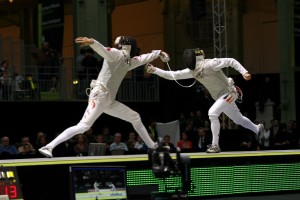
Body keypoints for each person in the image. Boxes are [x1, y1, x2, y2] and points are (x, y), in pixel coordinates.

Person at [38, 36, 170, 157]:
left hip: (109, 101)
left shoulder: (129, 61)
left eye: (117, 42)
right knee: (83, 126)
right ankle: (48, 146)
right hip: (99, 95)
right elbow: (103, 50)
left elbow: (144, 58)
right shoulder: (116, 54)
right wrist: (93, 42)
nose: (115, 43)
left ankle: (152, 146)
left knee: (135, 117)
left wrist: (159, 53)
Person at [146, 48, 265, 153]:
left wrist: (244, 72)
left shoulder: (211, 64)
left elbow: (231, 61)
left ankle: (215, 145)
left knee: (212, 113)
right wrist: (155, 70)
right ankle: (257, 129)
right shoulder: (192, 71)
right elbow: (173, 75)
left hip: (229, 93)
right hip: (220, 97)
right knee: (238, 119)